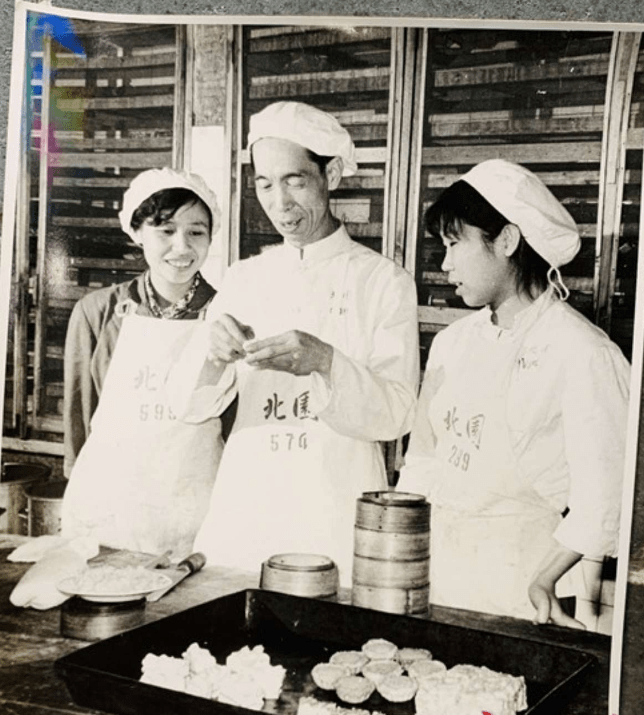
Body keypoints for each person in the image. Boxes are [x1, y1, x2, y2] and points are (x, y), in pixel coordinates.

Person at [168, 101, 419, 580]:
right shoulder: (242, 279)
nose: (279, 203)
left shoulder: (383, 281)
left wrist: (326, 362)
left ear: (334, 174)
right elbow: (188, 405)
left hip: (335, 500)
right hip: (250, 502)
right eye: (264, 184)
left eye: (295, 181)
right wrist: (212, 356)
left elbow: (398, 413)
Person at [397, 159, 630, 627]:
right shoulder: (451, 343)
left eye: (454, 244)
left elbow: (606, 497)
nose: (444, 264)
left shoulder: (583, 352)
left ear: (506, 240)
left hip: (521, 589)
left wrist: (545, 577)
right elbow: (422, 461)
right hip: (435, 577)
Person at [61, 168, 224, 559]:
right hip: (111, 505)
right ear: (136, 232)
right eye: (165, 230)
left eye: (196, 232)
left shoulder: (225, 314)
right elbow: (79, 415)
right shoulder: (97, 312)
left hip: (194, 505)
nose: (181, 247)